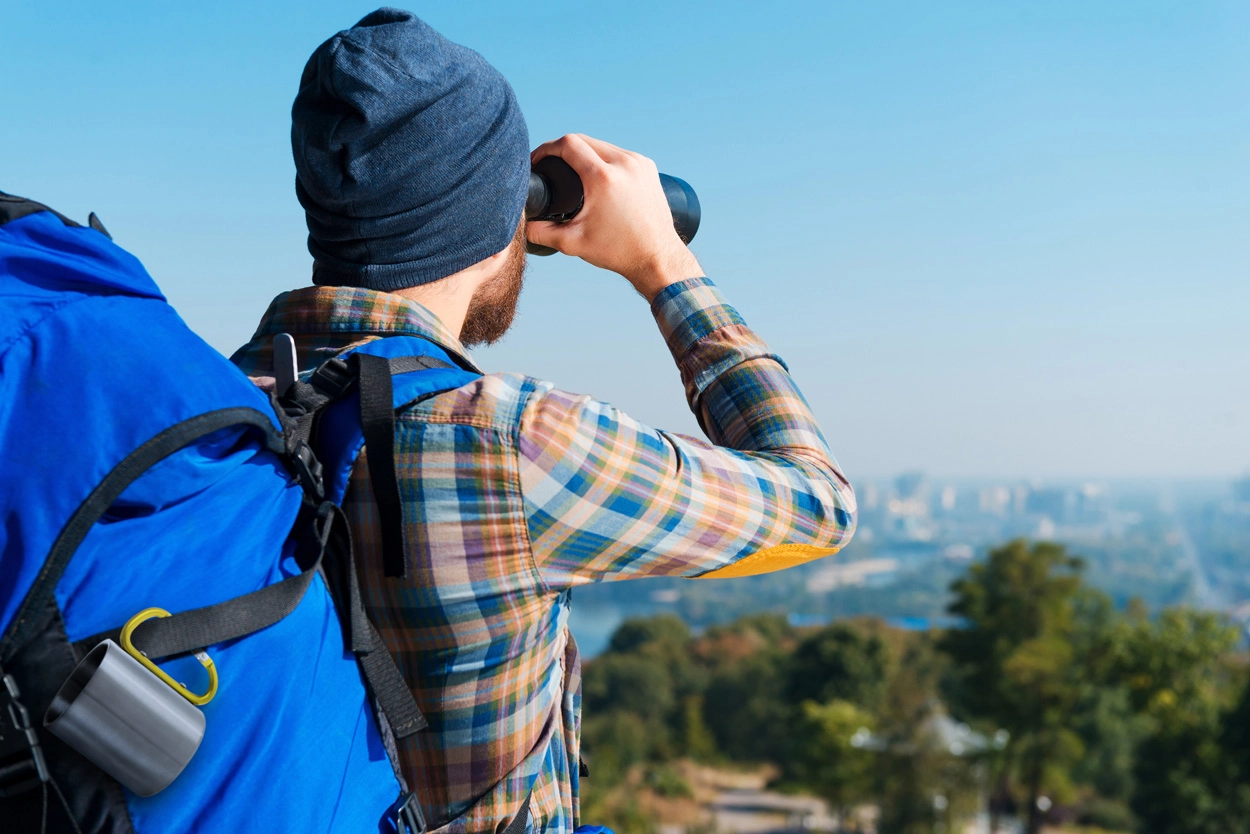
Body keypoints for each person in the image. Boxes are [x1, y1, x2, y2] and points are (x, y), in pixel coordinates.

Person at [231, 8, 856, 834]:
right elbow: (819, 505)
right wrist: (666, 265)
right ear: (503, 218)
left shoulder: (210, 411)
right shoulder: (512, 445)